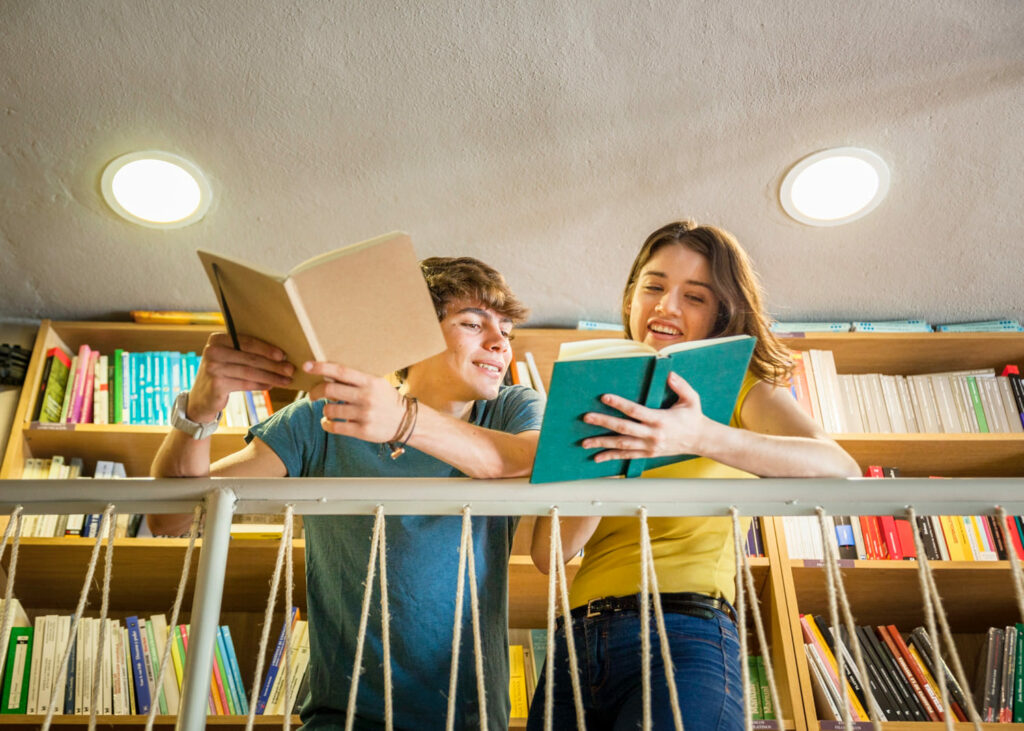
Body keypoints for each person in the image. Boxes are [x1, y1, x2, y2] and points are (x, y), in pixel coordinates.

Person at [149, 256, 543, 730]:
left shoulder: (513, 409)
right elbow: (170, 519)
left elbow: (524, 458)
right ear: (409, 333)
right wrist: (200, 408)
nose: (500, 343)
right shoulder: (322, 418)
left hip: (471, 719)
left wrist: (403, 420)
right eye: (472, 323)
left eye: (506, 331)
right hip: (341, 718)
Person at [527, 220, 860, 731]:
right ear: (631, 295)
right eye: (654, 286)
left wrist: (699, 436)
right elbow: (549, 554)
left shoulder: (741, 388)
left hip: (684, 631)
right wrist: (610, 464)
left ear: (722, 311)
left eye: (694, 296)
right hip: (577, 642)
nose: (666, 306)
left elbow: (843, 474)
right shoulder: (591, 396)